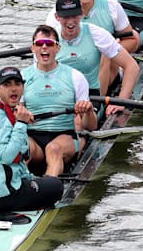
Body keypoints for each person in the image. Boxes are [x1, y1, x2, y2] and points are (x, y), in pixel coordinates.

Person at [0, 66, 64, 212]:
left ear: (23, 87)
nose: (13, 89)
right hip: (2, 196)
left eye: (17, 84)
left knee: (41, 179)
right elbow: (5, 157)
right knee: (56, 186)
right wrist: (21, 124)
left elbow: (21, 152)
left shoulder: (2, 109)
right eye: (7, 85)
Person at [21, 24, 97, 178]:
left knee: (53, 149)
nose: (44, 47)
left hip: (64, 135)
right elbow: (14, 116)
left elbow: (91, 127)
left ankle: (47, 193)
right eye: (39, 44)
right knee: (21, 149)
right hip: (33, 136)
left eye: (49, 44)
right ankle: (15, 188)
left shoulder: (75, 77)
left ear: (58, 48)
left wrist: (88, 110)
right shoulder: (22, 78)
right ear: (32, 49)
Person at [49, 0, 139, 116]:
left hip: (90, 95)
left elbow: (132, 66)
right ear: (57, 17)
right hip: (59, 95)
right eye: (66, 17)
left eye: (74, 15)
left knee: (77, 125)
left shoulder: (97, 34)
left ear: (81, 14)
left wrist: (121, 101)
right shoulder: (48, 40)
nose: (71, 21)